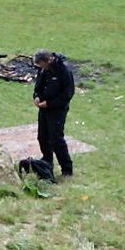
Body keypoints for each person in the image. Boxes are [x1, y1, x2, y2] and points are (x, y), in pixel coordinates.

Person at [32, 49, 76, 178]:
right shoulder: (43, 70)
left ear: (48, 60)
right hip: (44, 108)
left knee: (56, 139)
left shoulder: (64, 71)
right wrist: (37, 96)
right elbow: (38, 86)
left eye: (42, 65)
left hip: (57, 110)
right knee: (42, 137)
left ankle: (67, 169)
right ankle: (47, 162)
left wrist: (50, 104)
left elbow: (68, 94)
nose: (41, 68)